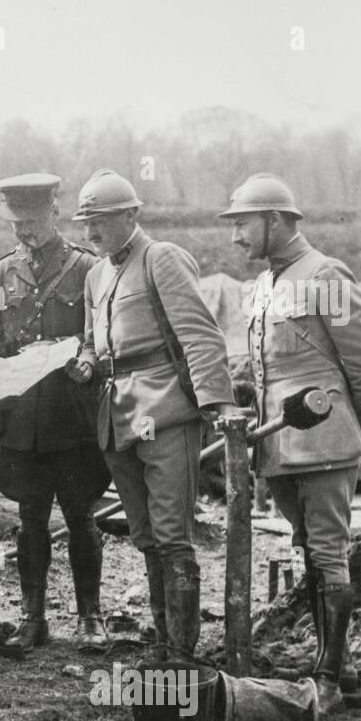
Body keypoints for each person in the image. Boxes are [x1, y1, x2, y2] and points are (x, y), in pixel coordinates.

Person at [219, 173, 361, 712]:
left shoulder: (325, 275)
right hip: (279, 446)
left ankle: (331, 678)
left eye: (244, 224)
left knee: (327, 553)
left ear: (276, 221)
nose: (236, 237)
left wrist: (359, 432)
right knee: (310, 555)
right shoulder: (264, 286)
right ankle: (339, 664)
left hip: (324, 442)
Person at [76, 169, 239, 663]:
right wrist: (85, 361)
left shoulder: (161, 259)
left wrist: (217, 404)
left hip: (166, 412)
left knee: (172, 535)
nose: (90, 233)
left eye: (100, 220)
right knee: (144, 533)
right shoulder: (95, 273)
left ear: (131, 215)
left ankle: (181, 654)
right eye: (86, 222)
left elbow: (200, 335)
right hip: (118, 416)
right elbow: (92, 338)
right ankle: (163, 640)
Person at [0, 174, 109, 655]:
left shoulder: (87, 269)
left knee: (81, 517)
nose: (26, 232)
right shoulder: (1, 274)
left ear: (55, 213)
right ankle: (31, 618)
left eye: (34, 222)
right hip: (24, 418)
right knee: (31, 519)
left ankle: (90, 618)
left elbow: (102, 333)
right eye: (18, 224)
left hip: (73, 413)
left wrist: (89, 360)